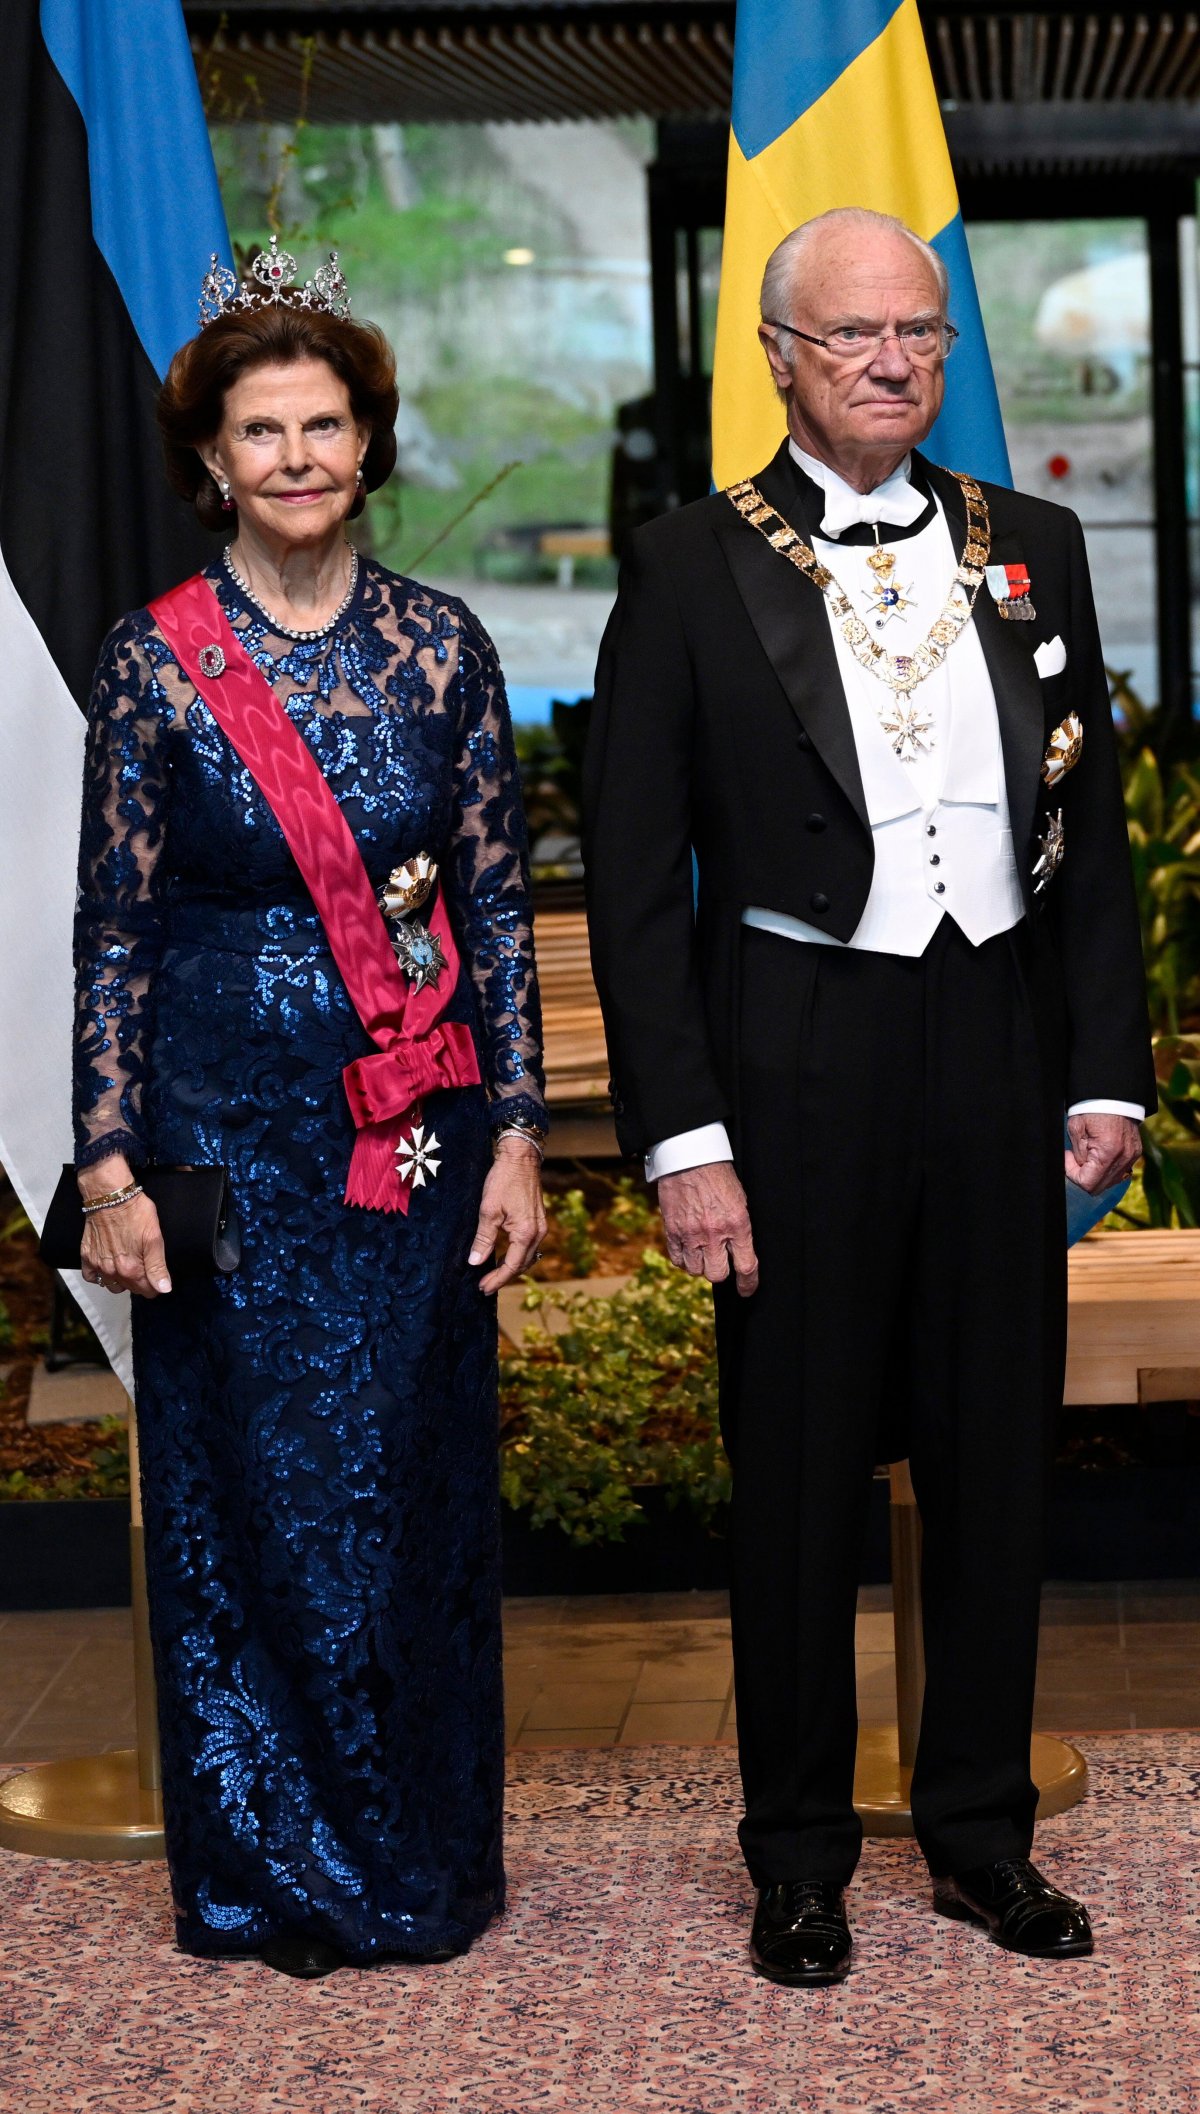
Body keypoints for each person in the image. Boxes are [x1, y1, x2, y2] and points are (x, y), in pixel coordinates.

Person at [583, 208, 1152, 1987]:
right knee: (801, 1465)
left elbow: (1091, 837)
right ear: (779, 355)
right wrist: (685, 1138)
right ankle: (799, 1856)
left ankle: (979, 1831)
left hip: (995, 1031)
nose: (895, 358)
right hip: (796, 1044)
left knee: (996, 1453)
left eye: (921, 329)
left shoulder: (1035, 544)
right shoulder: (684, 565)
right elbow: (630, 880)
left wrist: (1107, 1068)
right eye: (854, 334)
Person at [72, 243, 547, 1979]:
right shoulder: (155, 662)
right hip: (218, 1143)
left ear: (369, 443)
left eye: (323, 424)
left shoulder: (443, 649)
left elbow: (496, 906)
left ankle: (418, 1855)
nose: (295, 457)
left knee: (406, 1487)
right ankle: (263, 1868)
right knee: (247, 1499)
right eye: (261, 430)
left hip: (409, 1133)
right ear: (212, 457)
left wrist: (520, 1133)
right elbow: (112, 927)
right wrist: (108, 1161)